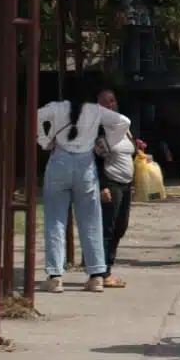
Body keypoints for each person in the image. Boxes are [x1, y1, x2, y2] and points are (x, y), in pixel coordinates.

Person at [37, 88, 129, 293]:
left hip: (59, 160)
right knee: (91, 220)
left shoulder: (57, 107)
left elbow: (35, 116)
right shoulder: (95, 110)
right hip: (85, 164)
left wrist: (44, 141)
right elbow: (124, 122)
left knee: (55, 220)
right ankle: (96, 275)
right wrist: (107, 142)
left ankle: (55, 276)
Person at [93, 87, 136, 288]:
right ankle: (101, 272)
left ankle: (106, 267)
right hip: (111, 183)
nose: (111, 104)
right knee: (108, 228)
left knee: (121, 227)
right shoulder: (99, 130)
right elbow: (96, 159)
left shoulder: (123, 126)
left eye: (113, 100)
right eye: (106, 101)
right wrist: (102, 186)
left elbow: (128, 151)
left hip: (126, 185)